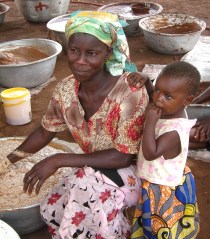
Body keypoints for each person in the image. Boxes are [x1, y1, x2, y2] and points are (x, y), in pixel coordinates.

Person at [0, 11, 149, 238]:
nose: (80, 61)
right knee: (54, 207)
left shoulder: (129, 93)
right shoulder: (66, 89)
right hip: (93, 167)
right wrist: (8, 161)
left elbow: (122, 157)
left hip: (133, 174)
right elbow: (44, 131)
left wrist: (58, 159)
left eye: (91, 53)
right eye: (74, 51)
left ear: (107, 52)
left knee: (84, 186)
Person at [129, 61, 200, 239]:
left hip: (162, 187)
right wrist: (147, 82)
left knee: (159, 228)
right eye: (158, 89)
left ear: (187, 101)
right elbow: (156, 94)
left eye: (167, 96)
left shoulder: (174, 130)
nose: (158, 98)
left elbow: (151, 153)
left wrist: (150, 122)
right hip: (155, 178)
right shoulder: (169, 107)